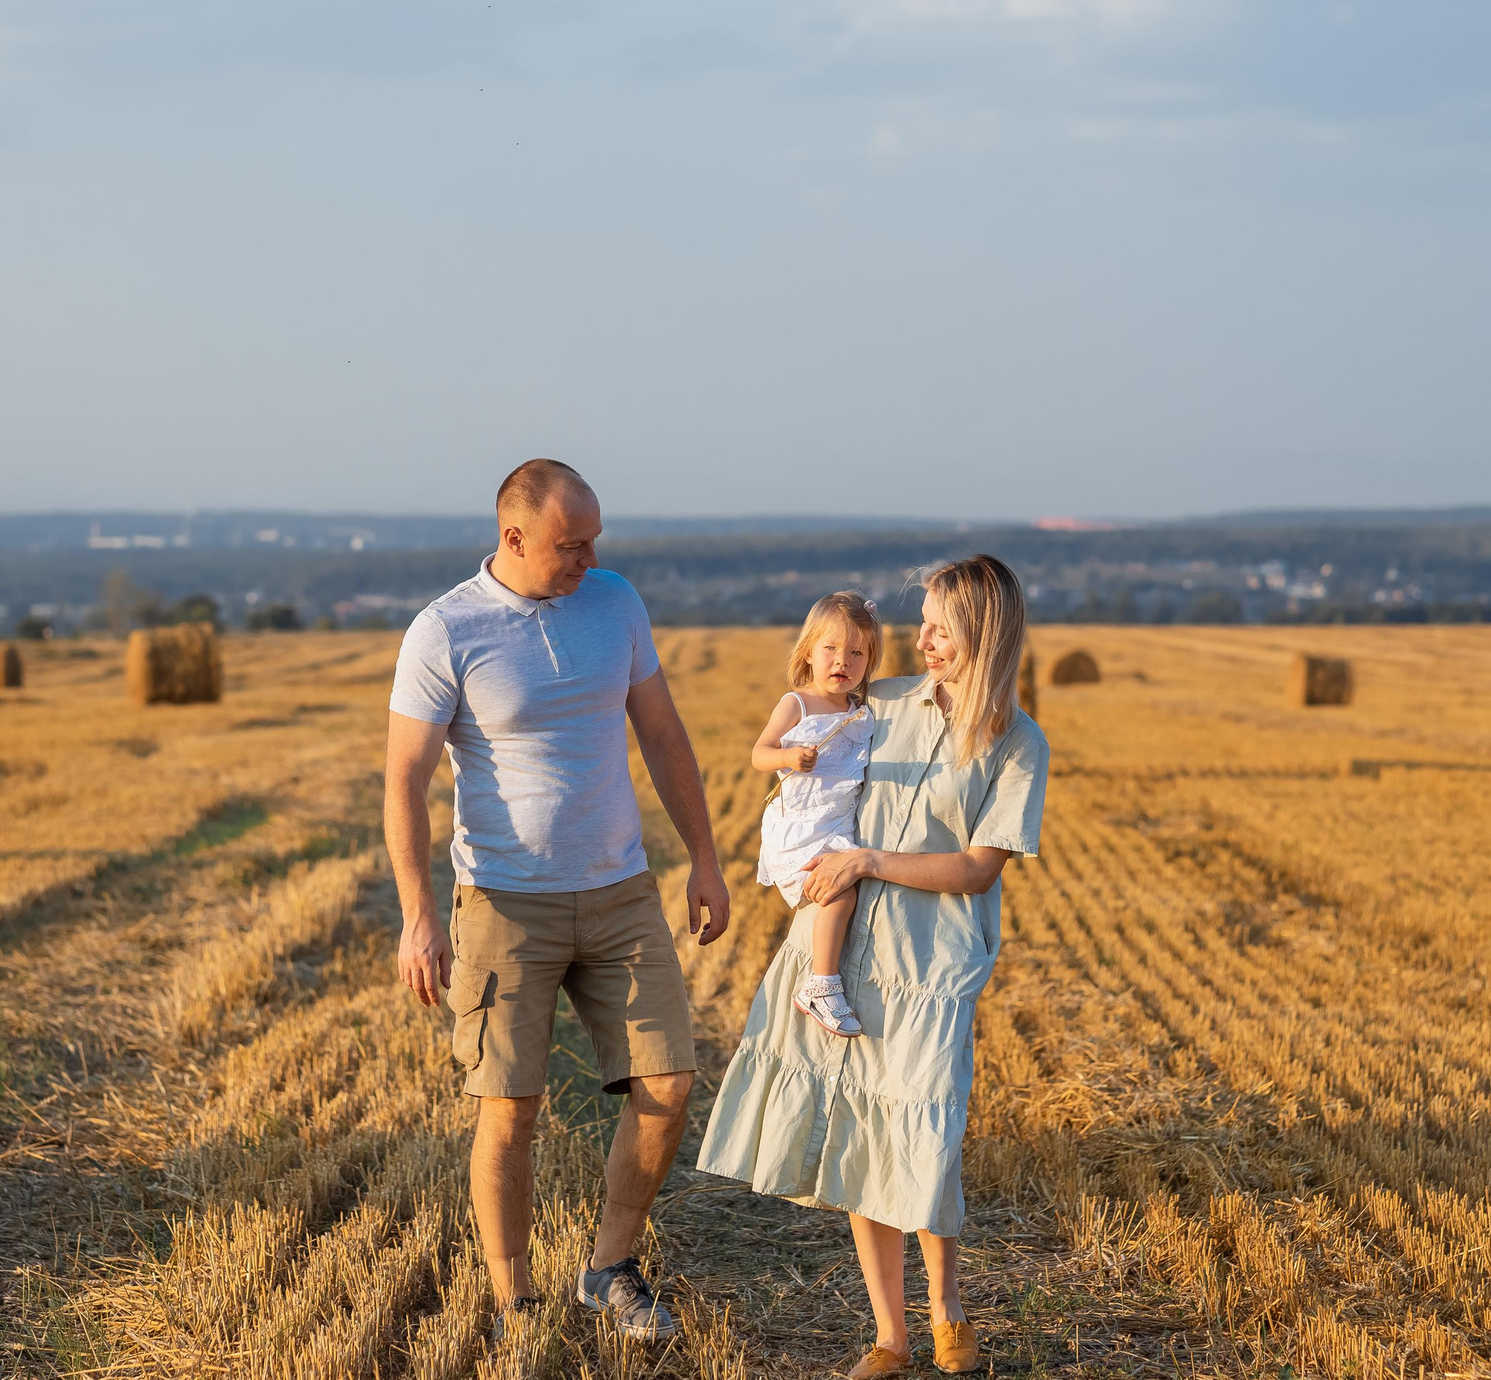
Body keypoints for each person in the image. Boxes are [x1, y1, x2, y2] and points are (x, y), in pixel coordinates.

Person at [385, 458, 730, 1343]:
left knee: (670, 1079)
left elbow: (661, 730)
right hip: (503, 903)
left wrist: (704, 856)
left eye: (595, 541)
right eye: (571, 545)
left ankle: (610, 1268)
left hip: (619, 891)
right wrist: (419, 914)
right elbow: (405, 780)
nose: (588, 558)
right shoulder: (446, 630)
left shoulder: (616, 601)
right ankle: (513, 1301)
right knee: (512, 1108)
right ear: (515, 537)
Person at [696, 555, 1047, 1378]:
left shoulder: (1018, 744)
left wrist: (865, 862)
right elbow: (792, 750)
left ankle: (947, 1311)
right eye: (920, 622)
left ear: (983, 633)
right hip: (843, 950)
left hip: (932, 968)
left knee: (924, 1135)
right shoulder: (879, 704)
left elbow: (977, 868)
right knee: (858, 1135)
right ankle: (890, 1335)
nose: (919, 639)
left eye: (939, 626)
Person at [747, 591, 882, 1037]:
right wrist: (788, 760)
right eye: (831, 649)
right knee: (839, 893)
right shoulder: (797, 704)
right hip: (803, 825)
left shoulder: (861, 712)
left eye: (856, 652)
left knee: (853, 894)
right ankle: (820, 985)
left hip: (838, 822)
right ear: (808, 651)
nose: (842, 661)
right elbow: (759, 754)